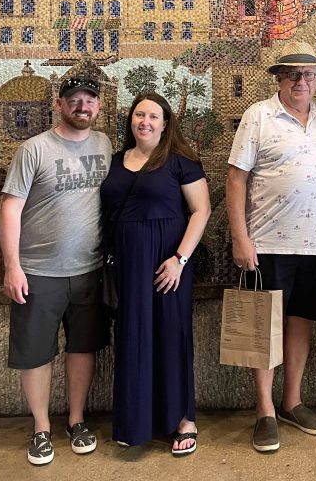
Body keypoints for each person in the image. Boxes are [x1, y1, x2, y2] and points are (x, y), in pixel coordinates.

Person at [226, 41, 316, 453]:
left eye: (308, 74)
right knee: (263, 327)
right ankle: (266, 410)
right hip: (267, 242)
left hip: (313, 244)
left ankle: (292, 400)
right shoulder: (259, 115)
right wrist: (241, 237)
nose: (300, 81)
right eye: (292, 74)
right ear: (278, 78)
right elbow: (235, 179)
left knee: (300, 321)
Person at [0, 75, 112, 466]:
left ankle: (76, 420)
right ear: (60, 105)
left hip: (90, 270)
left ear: (98, 106)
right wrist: (13, 267)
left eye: (90, 100)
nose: (83, 106)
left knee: (83, 348)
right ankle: (42, 428)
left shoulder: (105, 145)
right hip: (38, 271)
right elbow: (10, 208)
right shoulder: (33, 150)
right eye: (74, 100)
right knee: (36, 354)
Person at [99, 92, 211, 455]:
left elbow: (201, 211)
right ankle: (135, 423)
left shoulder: (181, 162)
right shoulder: (115, 161)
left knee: (171, 336)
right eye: (139, 115)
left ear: (165, 124)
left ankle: (184, 419)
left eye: (153, 116)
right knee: (133, 337)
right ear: (130, 120)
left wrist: (180, 259)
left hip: (169, 265)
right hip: (129, 264)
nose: (145, 121)